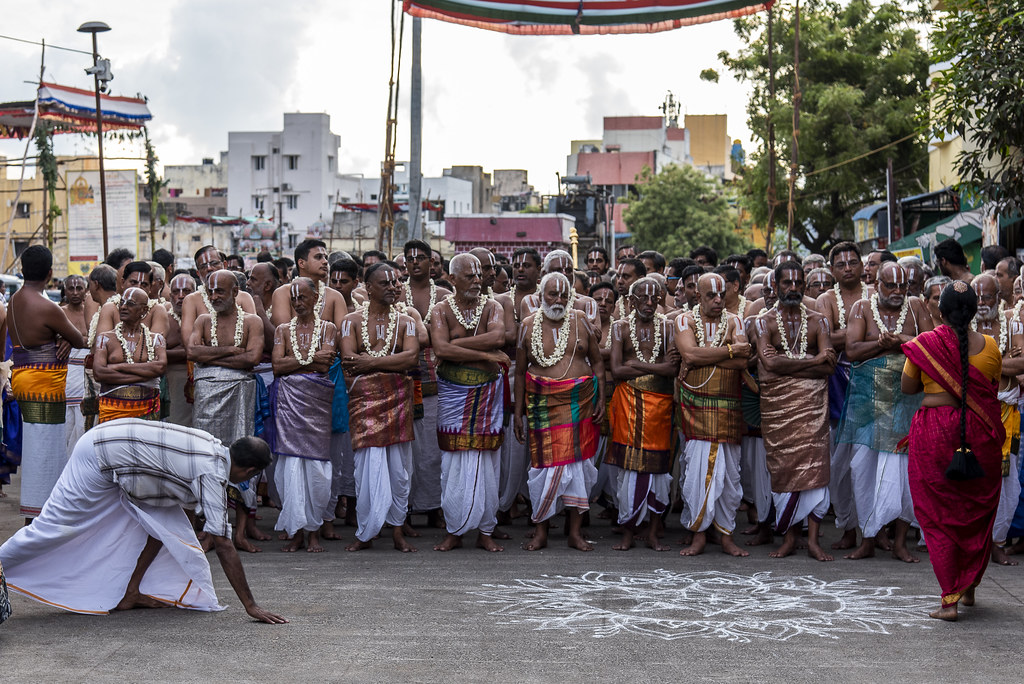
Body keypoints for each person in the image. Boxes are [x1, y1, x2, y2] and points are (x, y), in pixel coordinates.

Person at [0, 419, 286, 623]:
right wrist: (251, 605)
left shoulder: (213, 447)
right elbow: (223, 545)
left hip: (112, 444)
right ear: (248, 470)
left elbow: (167, 525)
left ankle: (130, 592)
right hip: (97, 453)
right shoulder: (211, 473)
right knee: (53, 529)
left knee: (167, 530)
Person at [902, 281, 1004, 621]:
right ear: (975, 311)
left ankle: (950, 601)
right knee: (974, 512)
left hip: (935, 432)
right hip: (980, 434)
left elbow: (907, 387)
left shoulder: (924, 344)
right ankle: (969, 586)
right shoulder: (990, 346)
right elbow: (992, 386)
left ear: (938, 310)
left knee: (939, 515)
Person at [838, 261, 933, 562]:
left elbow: (931, 345)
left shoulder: (916, 306)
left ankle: (901, 542)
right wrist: (886, 346)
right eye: (890, 285)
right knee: (862, 471)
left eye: (902, 286)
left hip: (906, 403)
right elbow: (851, 351)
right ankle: (868, 539)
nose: (896, 291)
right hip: (867, 404)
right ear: (876, 283)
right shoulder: (861, 308)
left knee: (902, 475)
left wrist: (900, 341)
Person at [514, 272, 605, 552]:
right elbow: (519, 373)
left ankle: (575, 533)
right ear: (541, 296)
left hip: (580, 403)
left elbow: (598, 364)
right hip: (543, 404)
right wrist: (518, 413)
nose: (558, 300)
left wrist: (602, 399)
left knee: (579, 469)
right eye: (552, 294)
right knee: (542, 468)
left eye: (564, 294)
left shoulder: (580, 322)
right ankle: (540, 530)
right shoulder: (528, 326)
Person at [754, 263, 837, 561]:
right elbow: (770, 364)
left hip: (812, 408)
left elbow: (830, 366)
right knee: (784, 469)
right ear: (775, 287)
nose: (793, 288)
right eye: (787, 282)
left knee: (815, 469)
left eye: (798, 282)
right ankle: (790, 538)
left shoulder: (819, 322)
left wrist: (800, 365)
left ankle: (813, 541)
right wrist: (813, 362)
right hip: (778, 410)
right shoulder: (763, 322)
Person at [431, 254, 509, 552]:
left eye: (479, 275)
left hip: (486, 392)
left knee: (486, 462)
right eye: (470, 276)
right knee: (453, 463)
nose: (478, 280)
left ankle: (485, 530)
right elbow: (439, 348)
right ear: (452, 279)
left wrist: (455, 346)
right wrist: (486, 354)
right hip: (453, 392)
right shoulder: (440, 310)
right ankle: (455, 529)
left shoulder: (493, 306)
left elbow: (499, 336)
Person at [340, 263, 419, 552]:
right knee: (366, 470)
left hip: (397, 400)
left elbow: (411, 358)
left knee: (399, 471)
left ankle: (398, 532)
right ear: (368, 288)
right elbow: (349, 359)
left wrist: (369, 362)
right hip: (364, 402)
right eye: (384, 283)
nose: (393, 287)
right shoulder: (350, 321)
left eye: (395, 282)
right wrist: (387, 364)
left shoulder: (407, 321)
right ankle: (367, 531)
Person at [188, 269, 265, 552]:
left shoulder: (253, 322)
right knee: (207, 462)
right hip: (207, 400)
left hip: (239, 398)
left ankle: (240, 533)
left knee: (242, 458)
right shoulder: (203, 320)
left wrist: (213, 359)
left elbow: (253, 358)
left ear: (236, 292)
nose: (214, 296)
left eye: (220, 291)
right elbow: (192, 353)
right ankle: (210, 532)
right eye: (210, 291)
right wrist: (234, 352)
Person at [8, 245, 87, 520]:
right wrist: (63, 337)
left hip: (23, 378)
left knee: (38, 447)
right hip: (43, 384)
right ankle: (40, 515)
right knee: (45, 450)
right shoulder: (48, 306)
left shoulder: (15, 300)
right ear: (51, 274)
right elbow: (79, 339)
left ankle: (40, 513)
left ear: (22, 270)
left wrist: (58, 337)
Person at [674, 273, 750, 557]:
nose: (719, 300)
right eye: (711, 295)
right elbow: (689, 356)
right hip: (697, 406)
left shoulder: (736, 321)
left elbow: (744, 361)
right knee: (697, 472)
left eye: (722, 295)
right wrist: (730, 349)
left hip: (728, 405)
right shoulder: (684, 320)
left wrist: (706, 356)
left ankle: (726, 535)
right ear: (697, 296)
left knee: (730, 475)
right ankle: (699, 535)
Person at [607, 277, 679, 551]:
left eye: (654, 298)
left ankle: (651, 533)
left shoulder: (668, 327)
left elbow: (672, 370)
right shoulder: (619, 327)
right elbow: (617, 370)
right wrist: (654, 366)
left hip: (660, 405)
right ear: (632, 300)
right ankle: (628, 532)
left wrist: (635, 364)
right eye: (643, 298)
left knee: (658, 467)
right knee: (629, 468)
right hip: (628, 403)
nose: (649, 304)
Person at [271, 278, 338, 553]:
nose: (298, 303)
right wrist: (309, 361)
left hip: (317, 402)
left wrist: (294, 364)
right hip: (289, 403)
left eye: (303, 298)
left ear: (315, 299)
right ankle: (296, 531)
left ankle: (314, 532)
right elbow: (277, 366)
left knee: (317, 470)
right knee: (290, 467)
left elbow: (326, 364)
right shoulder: (282, 330)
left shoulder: (329, 328)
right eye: (294, 299)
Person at [816, 241, 870, 550]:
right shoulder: (826, 299)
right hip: (838, 383)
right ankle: (849, 528)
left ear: (862, 266)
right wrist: (861, 335)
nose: (848, 268)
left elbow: (841, 339)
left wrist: (850, 338)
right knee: (841, 465)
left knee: (871, 462)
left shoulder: (874, 296)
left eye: (853, 262)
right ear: (832, 269)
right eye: (841, 264)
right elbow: (826, 338)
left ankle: (876, 530)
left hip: (873, 381)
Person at [969, 275, 1024, 566]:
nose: (981, 304)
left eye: (987, 297)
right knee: (973, 481)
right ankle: (975, 545)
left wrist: (987, 363)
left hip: (1006, 416)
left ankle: (997, 543)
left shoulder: (1011, 323)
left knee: (1008, 485)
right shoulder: (964, 325)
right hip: (975, 413)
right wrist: (1004, 361)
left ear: (998, 296)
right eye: (976, 297)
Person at [403, 239, 446, 528]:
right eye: (410, 258)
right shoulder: (395, 292)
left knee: (433, 449)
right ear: (404, 263)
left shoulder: (444, 295)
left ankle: (434, 508)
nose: (416, 262)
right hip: (402, 378)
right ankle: (403, 510)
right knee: (407, 449)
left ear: (432, 262)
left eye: (421, 258)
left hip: (436, 379)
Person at [93, 287, 167, 423]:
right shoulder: (105, 338)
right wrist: (145, 374)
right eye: (122, 302)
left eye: (130, 304)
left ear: (144, 310)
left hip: (146, 411)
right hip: (111, 411)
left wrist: (117, 367)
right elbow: (99, 373)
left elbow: (160, 368)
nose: (123, 307)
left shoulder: (156, 339)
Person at [60, 274, 90, 450]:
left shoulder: (92, 312)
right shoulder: (60, 312)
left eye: (79, 288)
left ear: (86, 290)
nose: (75, 292)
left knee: (82, 427)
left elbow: (94, 339)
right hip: (66, 376)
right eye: (71, 288)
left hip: (85, 376)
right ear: (65, 290)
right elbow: (56, 341)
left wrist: (73, 339)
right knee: (66, 428)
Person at [164, 273, 196, 427]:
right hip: (174, 380)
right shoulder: (163, 316)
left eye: (186, 292)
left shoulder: (204, 315)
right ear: (170, 296)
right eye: (176, 292)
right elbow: (156, 354)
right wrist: (189, 351)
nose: (181, 296)